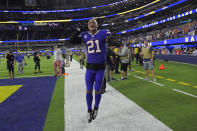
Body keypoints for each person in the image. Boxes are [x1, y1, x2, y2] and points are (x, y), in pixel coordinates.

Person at [70, 19, 111, 123]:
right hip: (90, 68)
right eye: (89, 23)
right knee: (88, 90)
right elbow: (71, 40)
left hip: (100, 69)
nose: (92, 23)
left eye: (94, 22)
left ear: (97, 25)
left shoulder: (103, 32)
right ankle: (89, 110)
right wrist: (79, 29)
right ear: (87, 26)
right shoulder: (85, 35)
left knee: (97, 90)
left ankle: (96, 108)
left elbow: (110, 37)